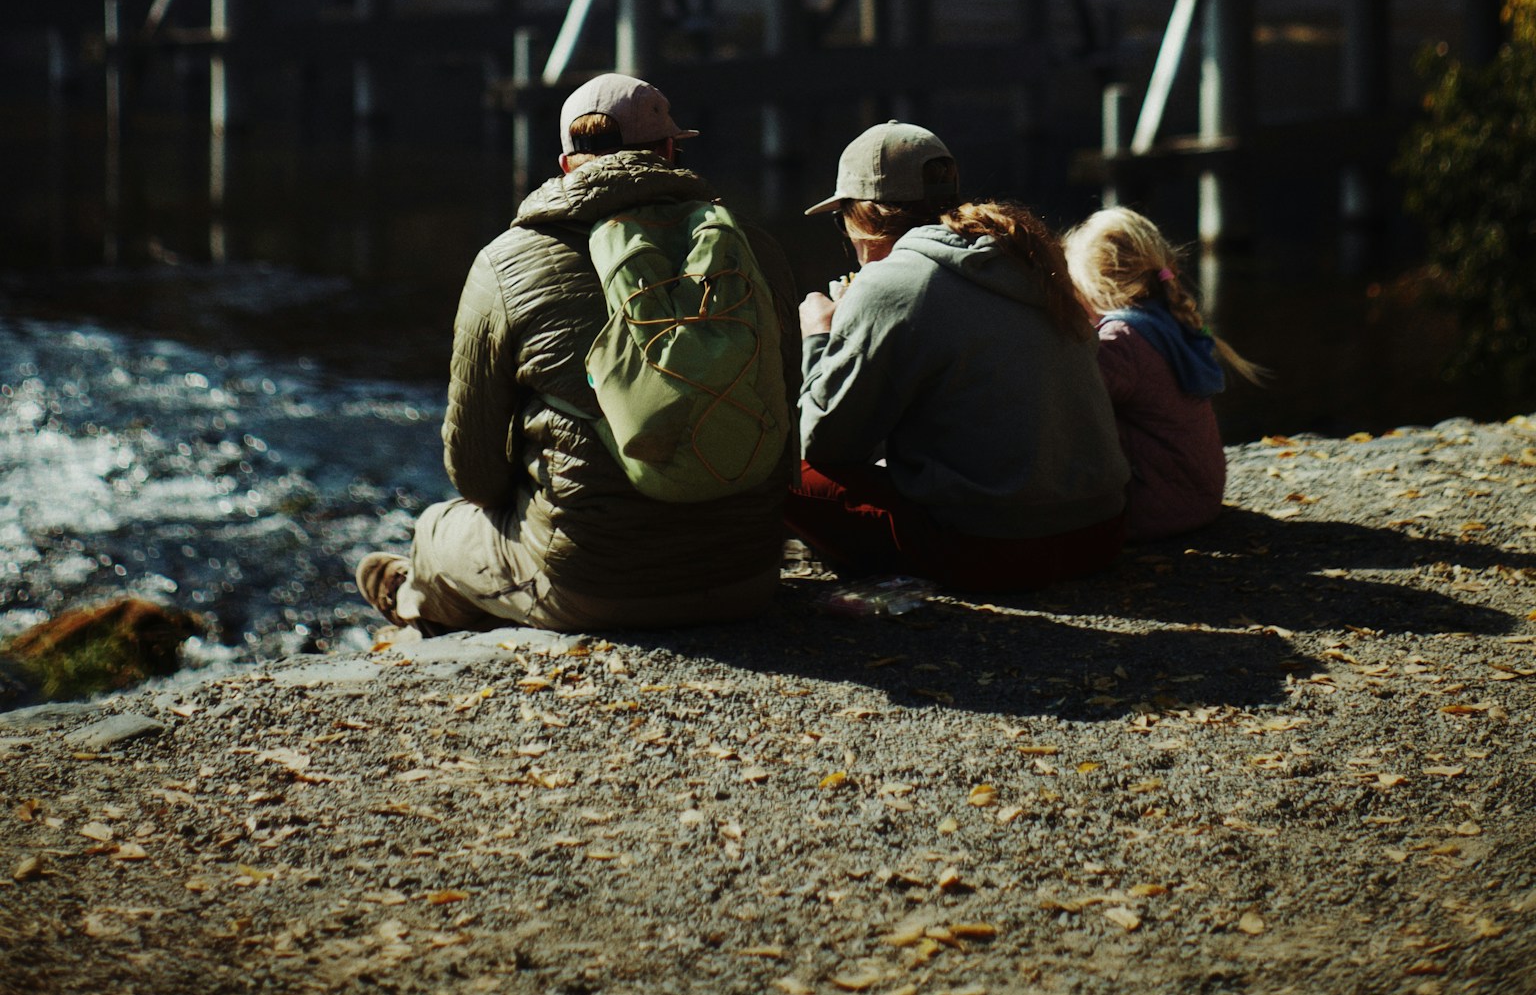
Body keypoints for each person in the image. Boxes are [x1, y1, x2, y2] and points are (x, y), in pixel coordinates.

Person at [353, 72, 800, 633]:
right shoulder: (755, 250)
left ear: (567, 164)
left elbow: (476, 474)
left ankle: (414, 602)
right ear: (668, 150)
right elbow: (787, 424)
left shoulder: (507, 262)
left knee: (437, 530)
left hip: (594, 588)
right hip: (747, 576)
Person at [786, 122, 1129, 589]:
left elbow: (824, 442)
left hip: (1001, 551)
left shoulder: (889, 283)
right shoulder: (1024, 255)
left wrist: (819, 336)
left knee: (781, 468)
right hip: (1100, 534)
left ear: (862, 216)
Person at [1063, 207, 1264, 541]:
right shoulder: (1166, 321)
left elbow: (1071, 401)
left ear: (1096, 286)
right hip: (1196, 497)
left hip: (1154, 508)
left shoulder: (1122, 341)